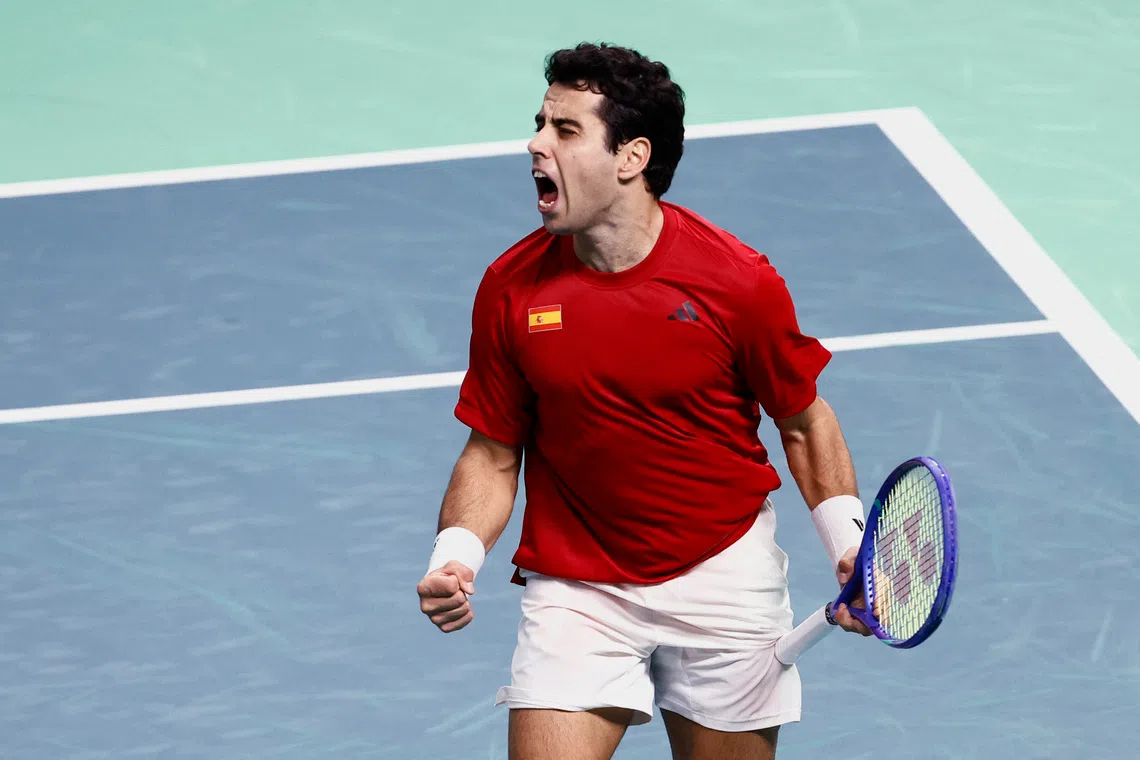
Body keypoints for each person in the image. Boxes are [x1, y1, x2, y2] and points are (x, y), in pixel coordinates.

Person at [416, 42, 873, 760]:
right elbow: (494, 452)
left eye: (564, 131)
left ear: (630, 157)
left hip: (724, 573)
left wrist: (851, 547)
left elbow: (803, 421)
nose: (535, 144)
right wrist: (456, 556)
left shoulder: (736, 281)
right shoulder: (511, 288)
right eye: (540, 123)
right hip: (579, 588)